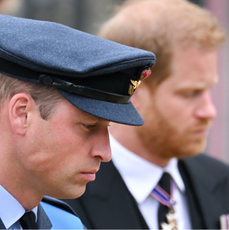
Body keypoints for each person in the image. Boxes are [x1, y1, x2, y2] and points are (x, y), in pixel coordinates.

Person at [63, 0, 229, 229]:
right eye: (190, 93)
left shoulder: (221, 181)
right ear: (134, 92)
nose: (209, 111)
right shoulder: (64, 197)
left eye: (209, 89)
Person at [0, 14, 155, 229]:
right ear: (22, 114)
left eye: (107, 127)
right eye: (89, 126)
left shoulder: (67, 224)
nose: (106, 153)